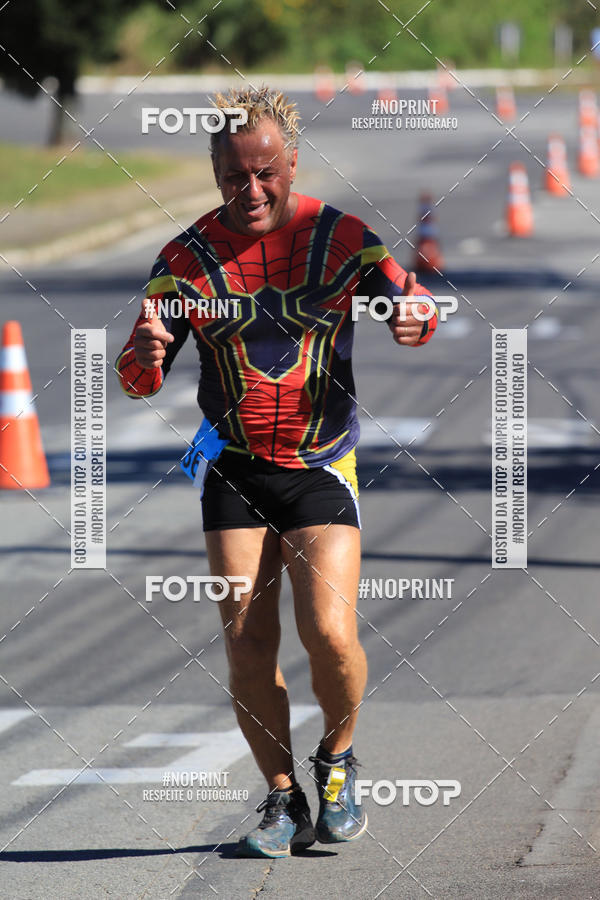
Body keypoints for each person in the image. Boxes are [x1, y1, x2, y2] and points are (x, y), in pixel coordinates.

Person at [116, 86, 437, 858]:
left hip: (322, 463)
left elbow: (415, 313)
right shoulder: (184, 260)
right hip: (233, 468)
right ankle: (282, 799)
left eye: (266, 173)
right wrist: (147, 355)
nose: (251, 191)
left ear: (291, 161)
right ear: (216, 170)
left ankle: (337, 759)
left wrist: (412, 313)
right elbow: (136, 375)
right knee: (247, 646)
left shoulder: (342, 238)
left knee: (328, 630)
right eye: (233, 176)